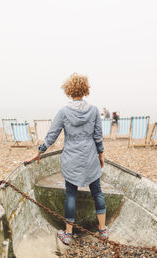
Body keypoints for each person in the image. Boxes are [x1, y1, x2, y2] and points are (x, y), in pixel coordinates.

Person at [25, 73, 108, 245]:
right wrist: (101, 155)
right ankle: (103, 230)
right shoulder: (93, 111)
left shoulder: (63, 112)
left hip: (71, 158)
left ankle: (68, 235)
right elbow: (98, 137)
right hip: (90, 157)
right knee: (97, 192)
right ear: (85, 90)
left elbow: (52, 135)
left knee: (70, 194)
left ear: (69, 91)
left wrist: (40, 151)